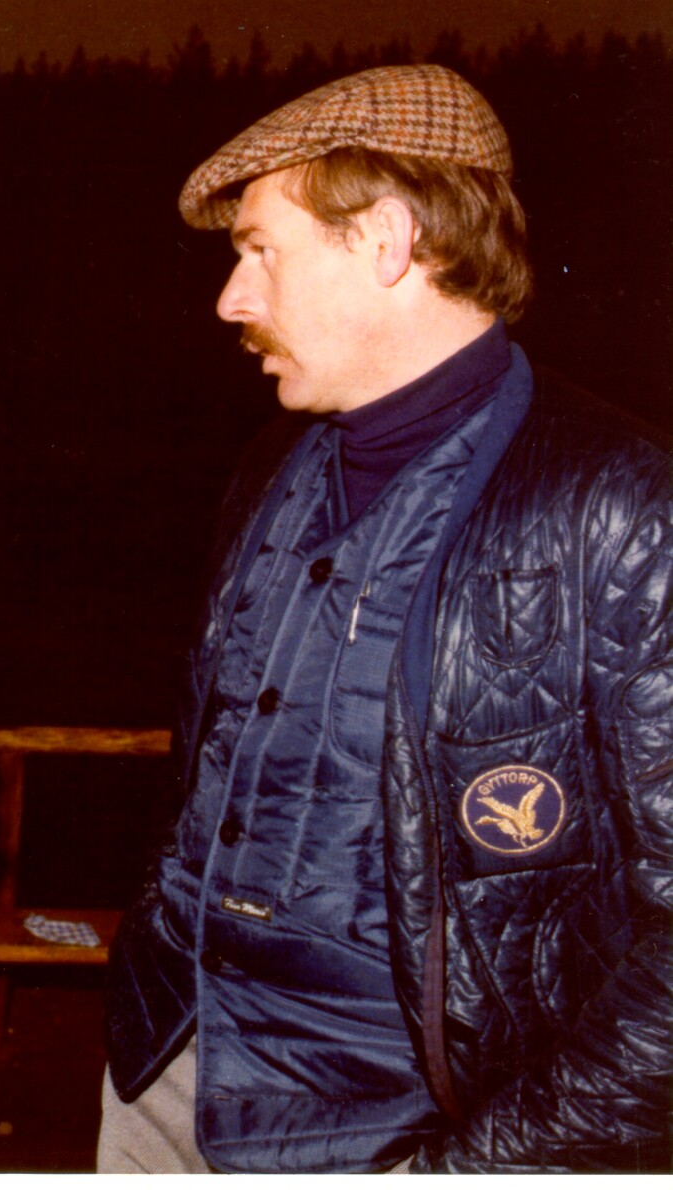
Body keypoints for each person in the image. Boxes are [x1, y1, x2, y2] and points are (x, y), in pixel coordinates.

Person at [101, 64, 672, 1173]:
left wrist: (486, 1166)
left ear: (387, 240)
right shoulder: (271, 464)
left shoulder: (622, 509)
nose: (230, 300)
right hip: (166, 1065)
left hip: (410, 1128)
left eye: (259, 250)